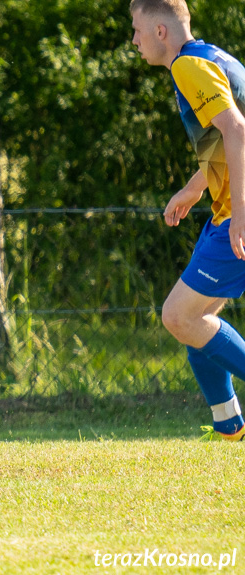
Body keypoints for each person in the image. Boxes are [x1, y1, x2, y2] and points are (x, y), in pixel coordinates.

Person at [131, 0, 245, 440]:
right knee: (198, 323)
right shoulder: (215, 56)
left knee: (178, 316)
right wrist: (195, 188)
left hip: (237, 213)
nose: (134, 40)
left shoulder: (185, 67)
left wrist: (240, 216)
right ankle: (229, 425)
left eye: (138, 30)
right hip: (225, 211)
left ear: (162, 31)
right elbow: (234, 135)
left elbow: (236, 129)